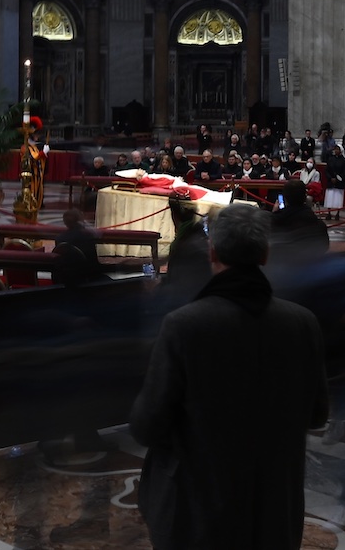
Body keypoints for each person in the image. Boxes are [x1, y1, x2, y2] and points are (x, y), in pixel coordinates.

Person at [130, 205, 328, 550]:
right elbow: (317, 415)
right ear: (264, 255)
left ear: (213, 253)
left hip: (198, 512)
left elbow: (147, 426)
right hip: (272, 511)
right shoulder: (303, 323)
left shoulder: (184, 325)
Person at [269, 179, 329, 265]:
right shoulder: (318, 225)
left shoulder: (276, 221)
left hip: (283, 267)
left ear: (285, 198)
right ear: (305, 197)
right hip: (312, 267)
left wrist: (274, 214)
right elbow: (324, 247)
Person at [54, 209, 105, 285]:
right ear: (80, 221)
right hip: (86, 279)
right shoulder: (88, 236)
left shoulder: (59, 238)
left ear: (65, 222)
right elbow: (93, 264)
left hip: (65, 279)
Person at [22, 116, 49, 211]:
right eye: (36, 134)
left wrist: (44, 155)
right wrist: (43, 153)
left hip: (37, 174)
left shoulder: (35, 146)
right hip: (30, 174)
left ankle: (38, 204)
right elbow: (34, 157)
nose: (37, 137)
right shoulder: (26, 147)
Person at [323, 145, 345, 219]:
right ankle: (329, 213)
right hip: (330, 181)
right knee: (329, 198)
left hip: (339, 183)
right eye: (335, 149)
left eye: (337, 149)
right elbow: (327, 170)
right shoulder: (330, 159)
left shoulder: (344, 161)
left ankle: (338, 213)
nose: (336, 151)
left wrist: (337, 179)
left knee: (338, 199)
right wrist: (330, 178)